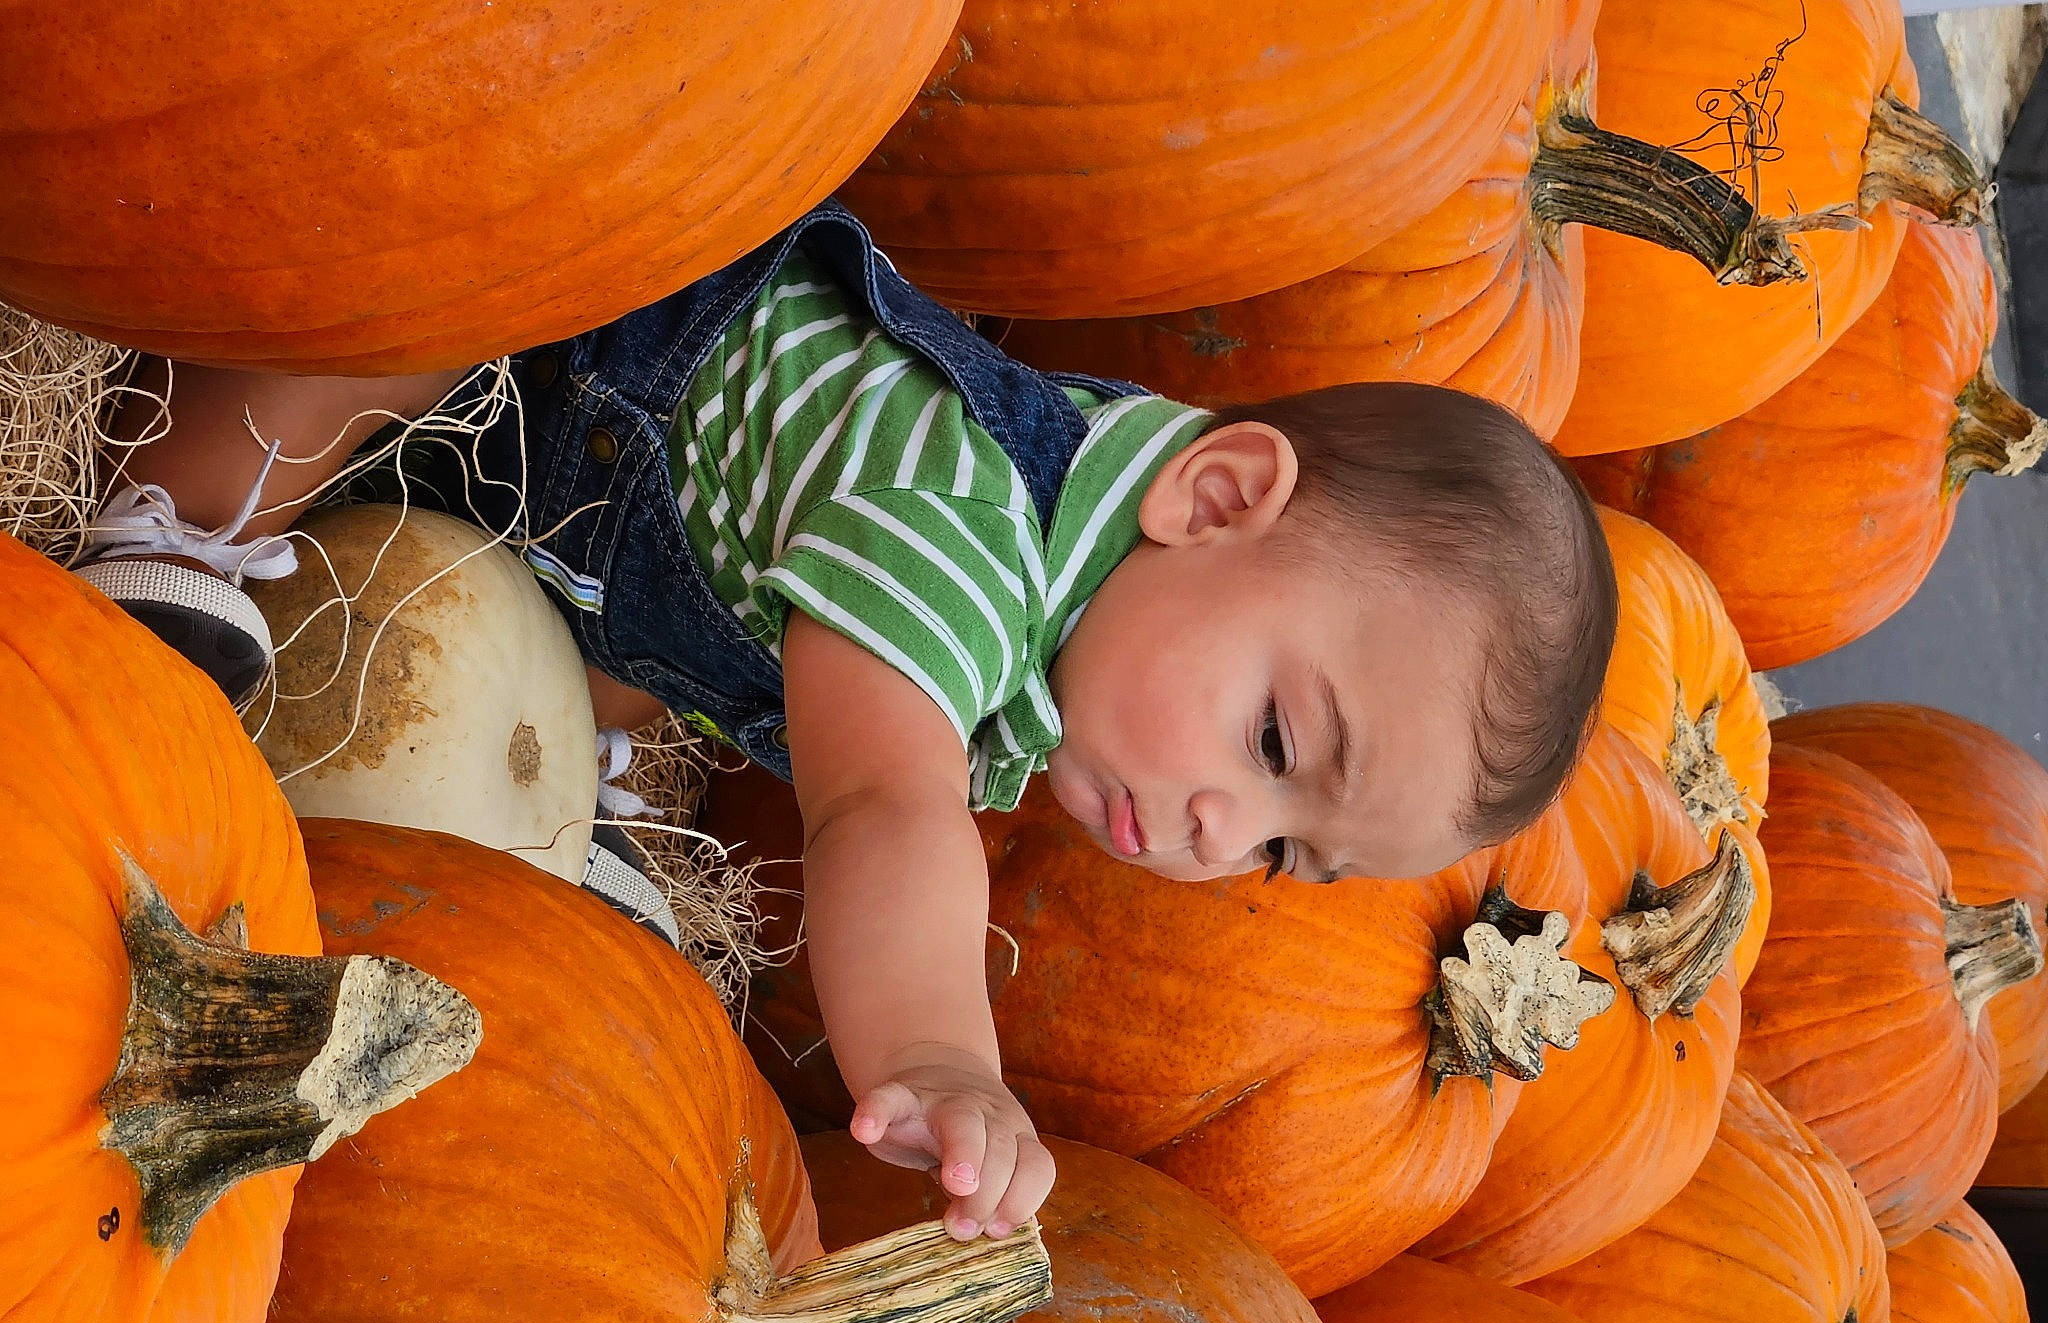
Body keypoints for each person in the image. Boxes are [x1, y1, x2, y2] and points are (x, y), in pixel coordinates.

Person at [76, 201, 1618, 1245]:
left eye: (1286, 855)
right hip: (558, 329)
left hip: (602, 517)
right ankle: (186, 514)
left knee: (697, 629)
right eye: (1276, 748)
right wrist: (938, 1054)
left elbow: (757, 643)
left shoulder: (1113, 604)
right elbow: (881, 809)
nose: (1225, 832)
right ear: (1215, 500)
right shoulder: (967, 542)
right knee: (405, 307)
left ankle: (559, 746)